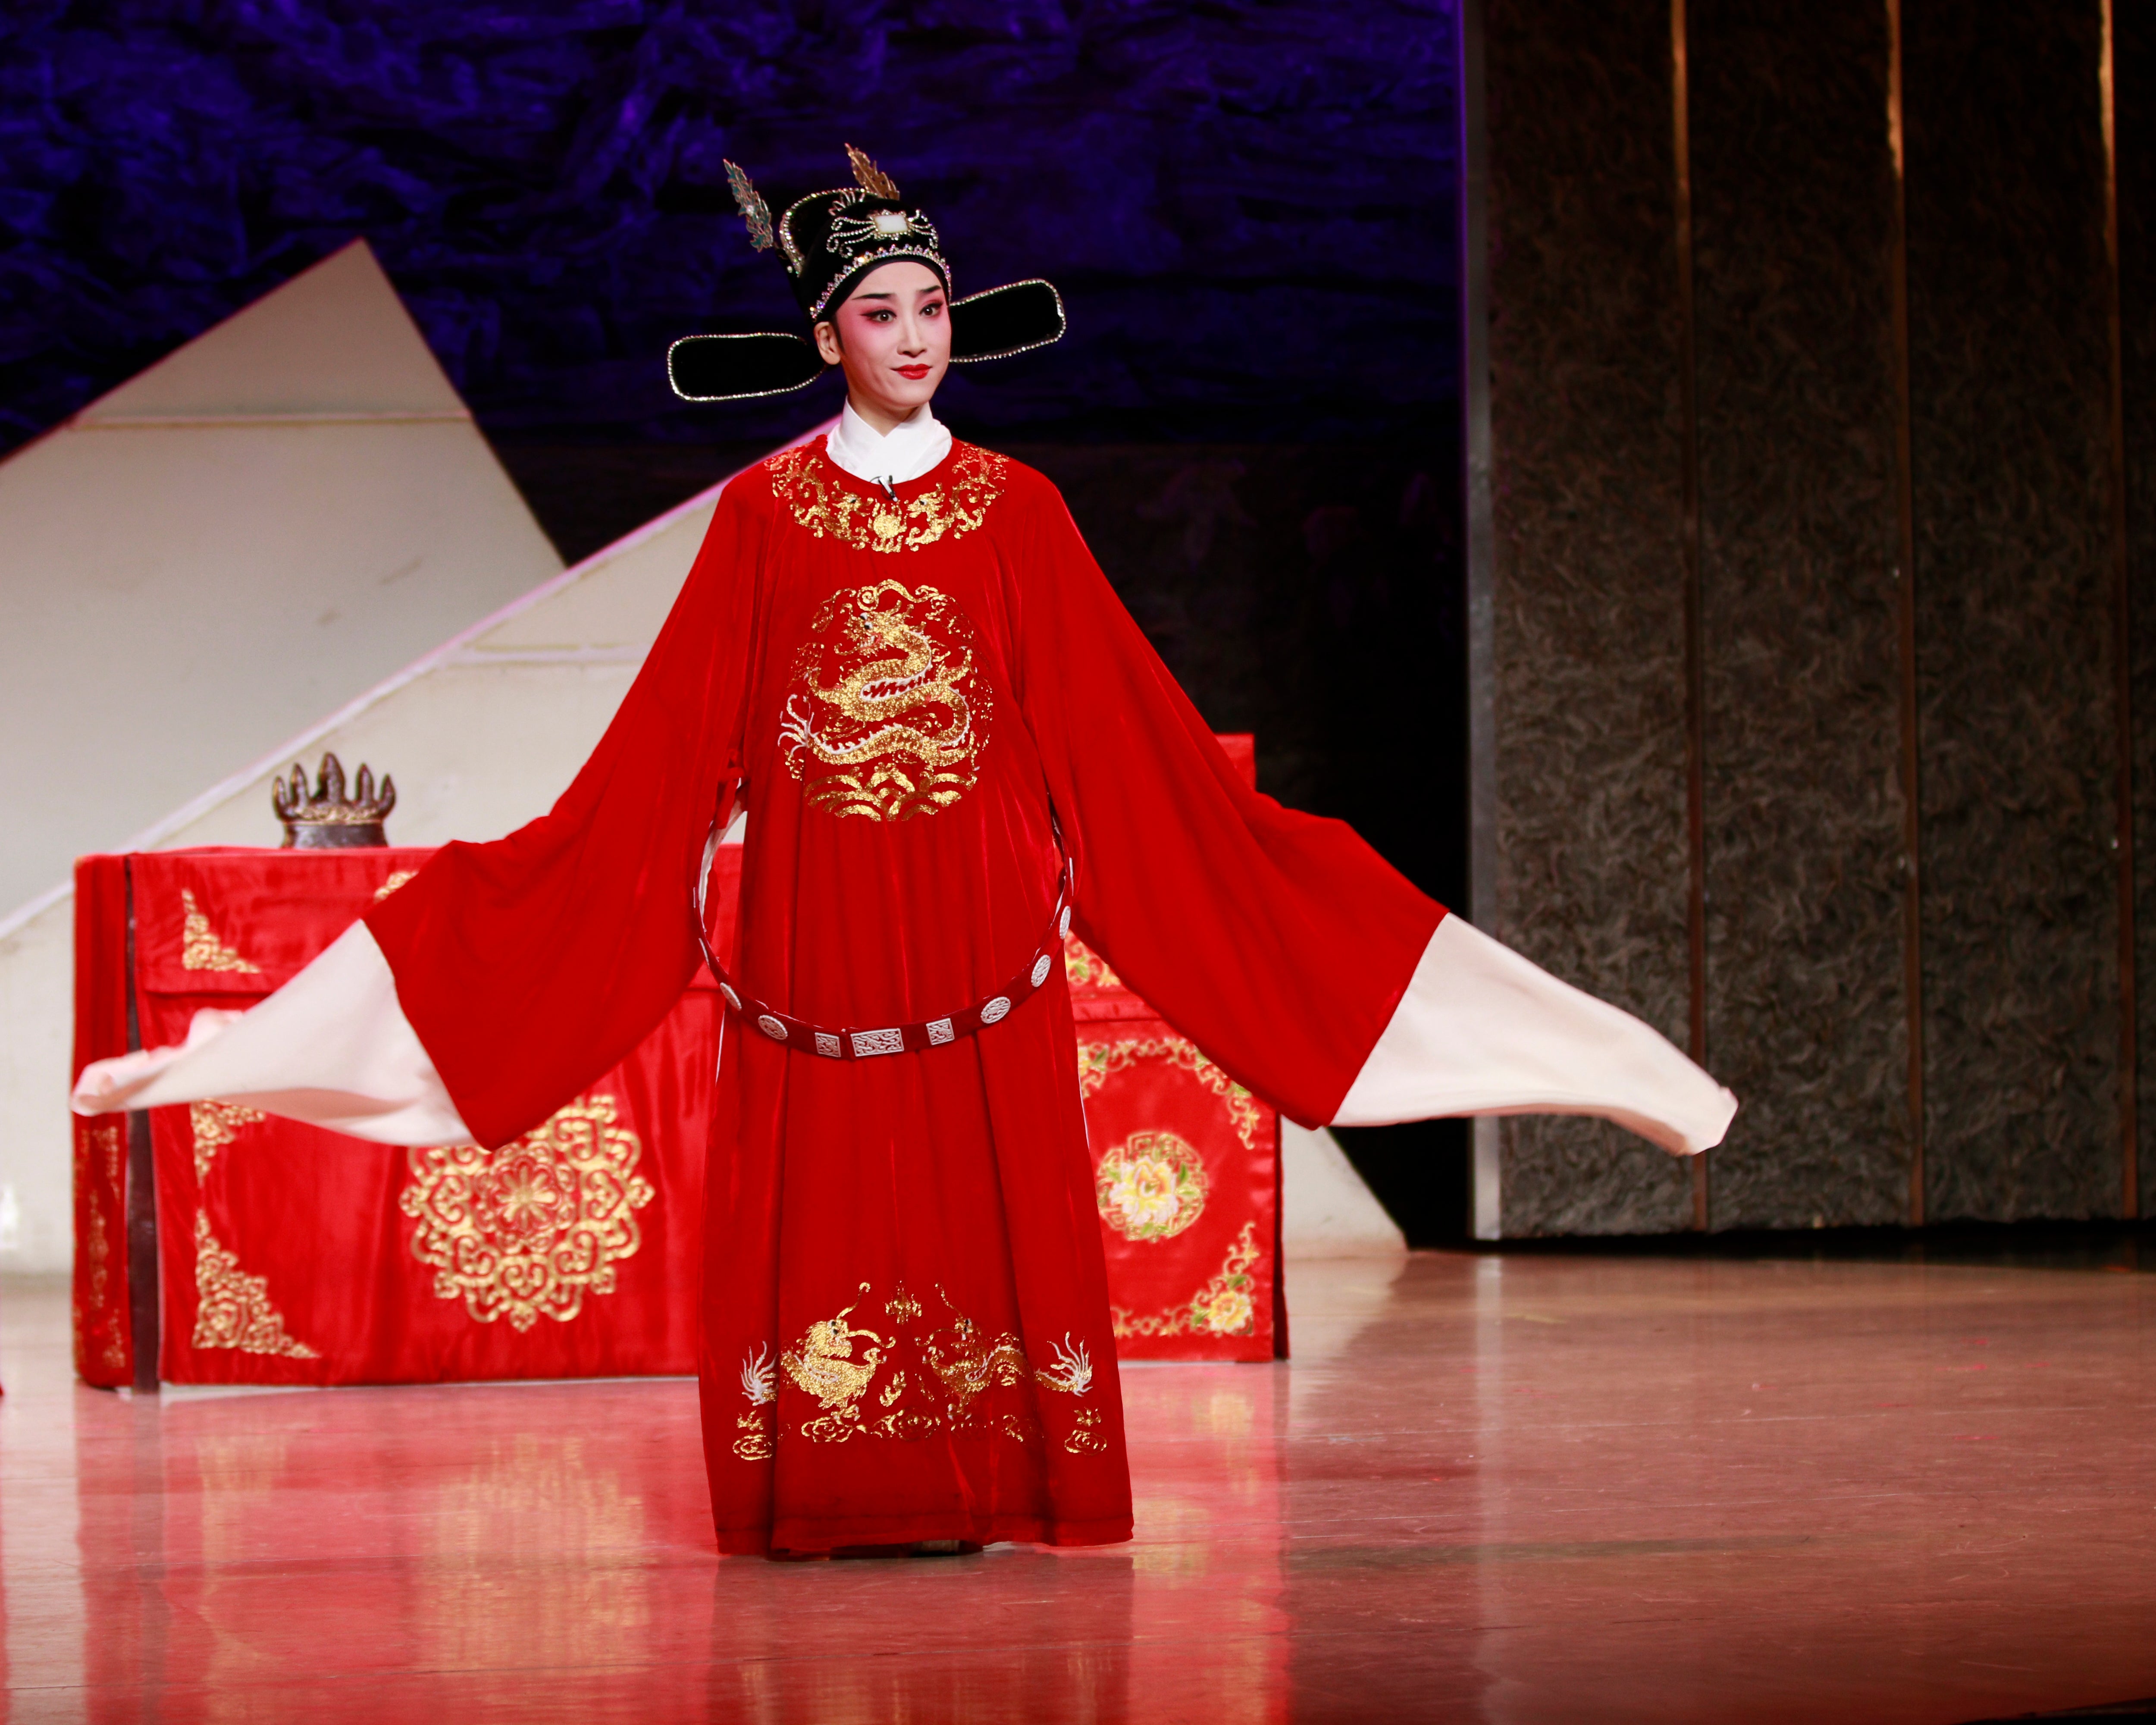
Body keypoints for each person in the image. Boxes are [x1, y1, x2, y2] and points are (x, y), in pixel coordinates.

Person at [76, 146, 1736, 1560]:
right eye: (883, 312)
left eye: (935, 308)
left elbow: (1145, 777)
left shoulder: (1018, 516)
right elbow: (642, 795)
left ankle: (1586, 1060)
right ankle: (254, 1066)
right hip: (810, 981)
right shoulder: (763, 519)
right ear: (826, 337)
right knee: (811, 1237)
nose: (917, 337)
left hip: (980, 980)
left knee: (1050, 1132)